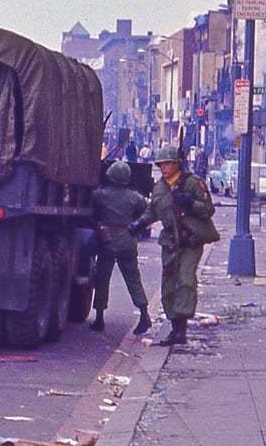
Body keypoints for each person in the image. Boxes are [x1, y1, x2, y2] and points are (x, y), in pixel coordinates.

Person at [132, 144, 217, 346]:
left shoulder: (192, 183)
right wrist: (140, 223)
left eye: (168, 164)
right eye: (161, 164)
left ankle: (182, 329)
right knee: (168, 284)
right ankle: (173, 324)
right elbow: (154, 210)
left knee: (185, 280)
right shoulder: (160, 187)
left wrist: (189, 203)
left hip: (189, 239)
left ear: (177, 164)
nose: (164, 168)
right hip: (170, 241)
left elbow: (208, 209)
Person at [90, 161, 151, 336]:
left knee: (102, 279)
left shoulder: (101, 195)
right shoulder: (133, 197)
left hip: (108, 239)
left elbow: (92, 205)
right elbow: (146, 209)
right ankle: (144, 314)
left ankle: (99, 317)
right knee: (133, 278)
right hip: (127, 238)